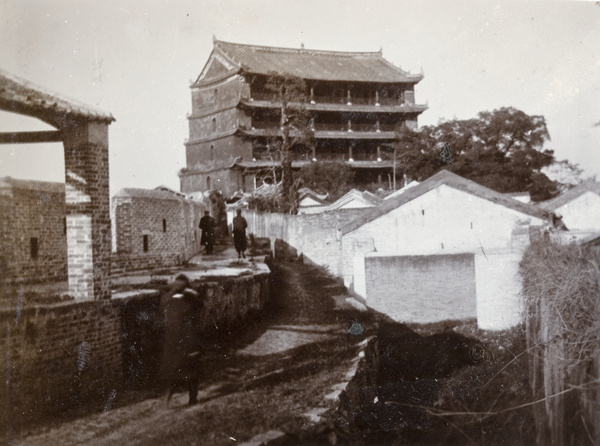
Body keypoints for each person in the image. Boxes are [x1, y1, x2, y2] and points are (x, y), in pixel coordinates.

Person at [158, 274, 203, 406]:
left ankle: (166, 401)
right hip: (188, 343)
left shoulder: (167, 302)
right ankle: (192, 399)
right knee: (192, 373)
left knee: (174, 374)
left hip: (172, 343)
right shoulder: (189, 303)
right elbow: (200, 305)